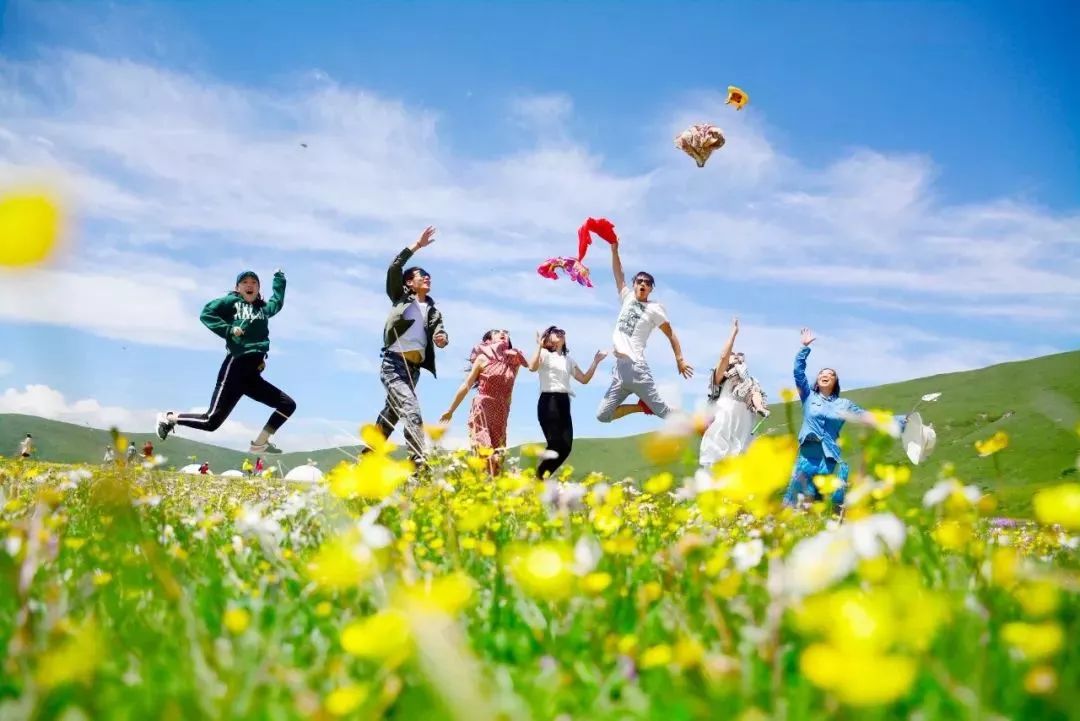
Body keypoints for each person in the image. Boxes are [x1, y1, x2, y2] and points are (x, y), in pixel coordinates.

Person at [155, 269, 295, 454]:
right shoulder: (232, 302)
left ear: (259, 288)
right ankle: (169, 418)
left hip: (253, 374)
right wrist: (229, 329)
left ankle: (259, 444)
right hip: (235, 368)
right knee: (211, 422)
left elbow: (277, 302)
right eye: (245, 282)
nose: (249, 285)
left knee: (287, 405)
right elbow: (207, 313)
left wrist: (279, 279)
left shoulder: (263, 309)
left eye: (254, 282)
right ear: (238, 288)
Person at [783, 327, 906, 508]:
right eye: (822, 374)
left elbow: (868, 418)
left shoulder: (844, 405)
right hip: (807, 456)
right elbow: (797, 372)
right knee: (794, 498)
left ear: (835, 382)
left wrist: (901, 421)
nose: (825, 375)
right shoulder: (808, 397)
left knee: (821, 503)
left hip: (829, 458)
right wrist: (804, 349)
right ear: (817, 381)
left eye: (830, 374)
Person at [366, 226, 449, 467]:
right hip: (393, 364)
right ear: (409, 283)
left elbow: (439, 330)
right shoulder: (400, 298)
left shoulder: (432, 309)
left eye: (428, 275)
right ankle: (418, 464)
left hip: (413, 370)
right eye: (420, 275)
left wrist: (441, 338)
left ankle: (368, 458)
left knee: (391, 414)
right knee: (411, 410)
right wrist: (417, 245)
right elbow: (394, 266)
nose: (426, 277)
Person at [596, 242, 693, 422]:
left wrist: (680, 359)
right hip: (620, 371)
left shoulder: (655, 309)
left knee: (664, 413)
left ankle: (701, 424)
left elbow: (671, 335)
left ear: (650, 288)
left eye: (647, 283)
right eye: (639, 281)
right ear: (634, 284)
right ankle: (640, 407)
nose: (642, 284)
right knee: (602, 415)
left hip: (636, 368)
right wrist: (614, 250)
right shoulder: (627, 297)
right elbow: (619, 274)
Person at [441, 330, 528, 475]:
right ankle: (478, 485)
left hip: (501, 411)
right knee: (485, 452)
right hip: (483, 408)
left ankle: (492, 492)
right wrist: (451, 410)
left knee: (499, 457)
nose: (503, 334)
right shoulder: (482, 358)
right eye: (497, 332)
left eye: (506, 333)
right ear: (489, 340)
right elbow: (466, 385)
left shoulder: (513, 362)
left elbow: (510, 389)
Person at [525, 325, 606, 478]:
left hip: (564, 402)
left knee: (566, 447)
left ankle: (540, 477)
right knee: (555, 444)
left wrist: (596, 362)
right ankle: (538, 479)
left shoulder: (569, 360)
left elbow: (584, 379)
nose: (560, 333)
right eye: (555, 332)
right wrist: (539, 346)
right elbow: (532, 367)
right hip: (549, 400)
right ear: (548, 339)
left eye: (562, 332)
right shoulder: (544, 353)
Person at [699, 318, 766, 467]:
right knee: (719, 460)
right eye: (733, 355)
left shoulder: (750, 381)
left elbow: (756, 393)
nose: (736, 357)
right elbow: (723, 356)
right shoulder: (720, 377)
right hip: (725, 418)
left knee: (742, 461)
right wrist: (734, 334)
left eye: (738, 356)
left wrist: (760, 407)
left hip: (744, 422)